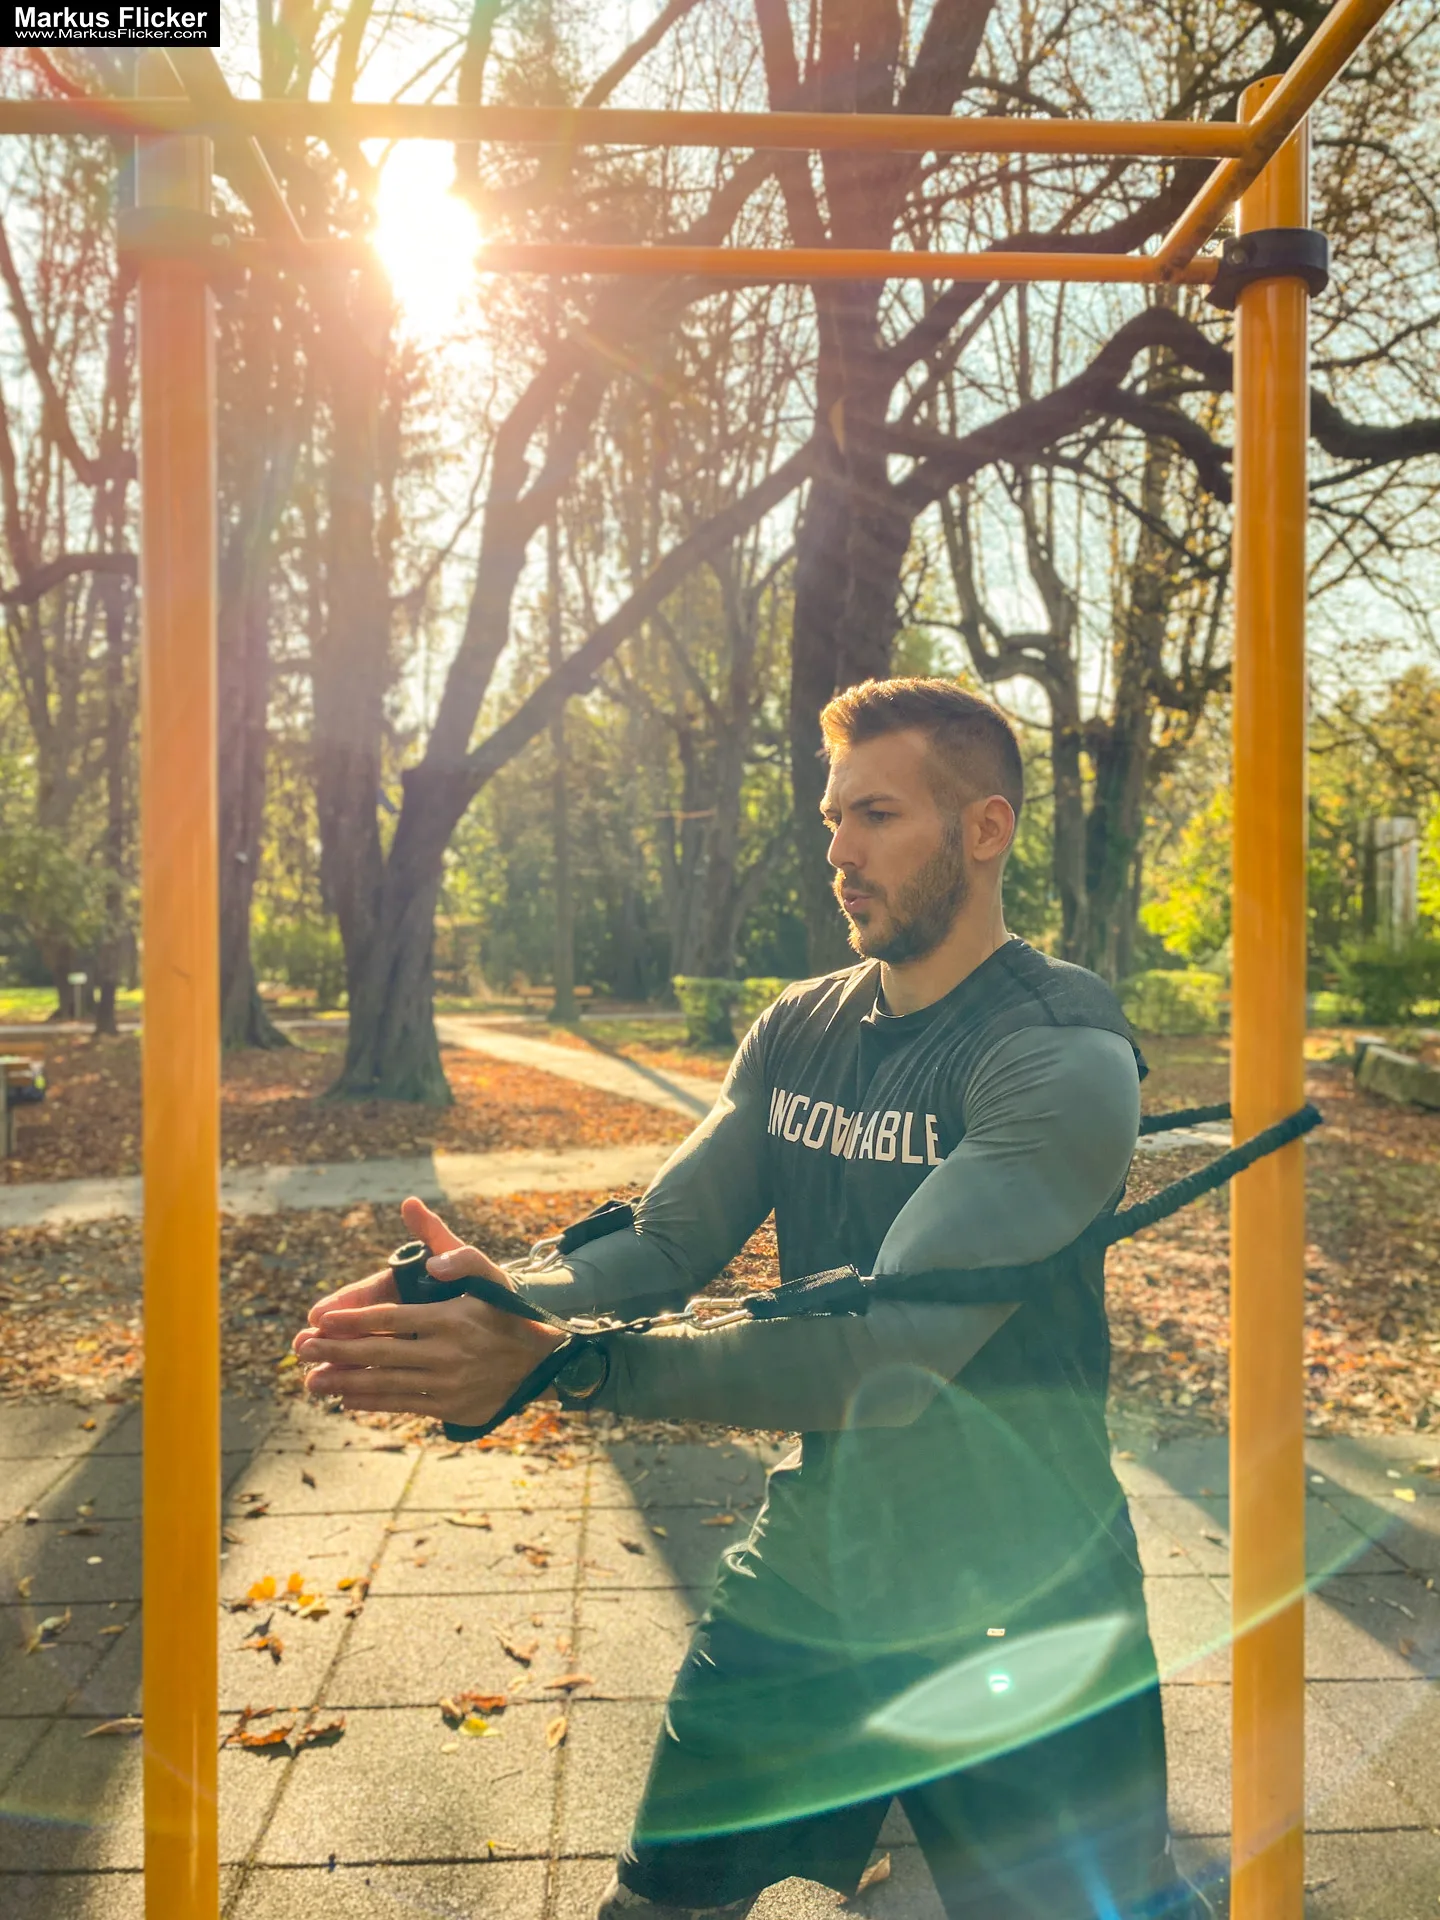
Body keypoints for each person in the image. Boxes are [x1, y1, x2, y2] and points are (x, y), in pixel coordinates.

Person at [294, 678, 1209, 1920]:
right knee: (661, 1905)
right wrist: (507, 1298)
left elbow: (885, 1351)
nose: (838, 852)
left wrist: (570, 1363)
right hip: (815, 1578)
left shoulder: (1058, 1055)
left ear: (984, 830)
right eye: (832, 819)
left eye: (877, 816)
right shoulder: (800, 1030)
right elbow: (667, 1240)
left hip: (1024, 1609)